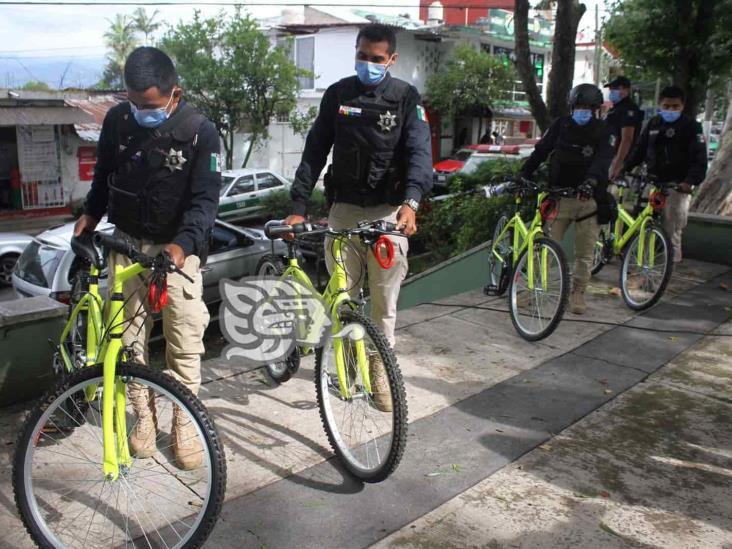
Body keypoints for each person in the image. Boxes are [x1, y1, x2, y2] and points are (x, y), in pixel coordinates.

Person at [73, 47, 221, 470]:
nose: (140, 112)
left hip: (179, 252)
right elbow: (104, 176)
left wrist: (181, 246)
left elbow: (205, 202)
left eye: (150, 106)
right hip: (127, 245)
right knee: (129, 339)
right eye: (133, 103)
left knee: (185, 341)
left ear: (175, 92)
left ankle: (184, 421)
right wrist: (89, 214)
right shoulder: (119, 120)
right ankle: (144, 414)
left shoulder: (199, 131)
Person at [285, 23, 432, 409]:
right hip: (345, 211)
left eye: (376, 58)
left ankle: (380, 368)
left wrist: (412, 202)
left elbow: (420, 153)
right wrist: (298, 207)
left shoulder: (405, 98)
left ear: (392, 60)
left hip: (388, 213)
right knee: (344, 299)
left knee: (384, 303)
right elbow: (314, 151)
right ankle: (348, 367)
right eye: (362, 55)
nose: (367, 63)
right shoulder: (338, 95)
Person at [519, 83, 615, 315]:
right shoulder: (561, 126)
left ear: (596, 110)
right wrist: (524, 173)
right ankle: (534, 289)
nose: (583, 111)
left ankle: (578, 293)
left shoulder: (604, 131)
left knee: (585, 252)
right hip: (559, 197)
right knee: (544, 247)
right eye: (579, 106)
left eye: (588, 108)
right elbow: (541, 151)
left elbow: (603, 160)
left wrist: (591, 181)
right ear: (572, 107)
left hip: (588, 201)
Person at [623, 85, 707, 263]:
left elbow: (700, 159)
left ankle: (671, 264)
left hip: (677, 185)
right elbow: (639, 150)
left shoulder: (692, 127)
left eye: (675, 106)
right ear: (660, 104)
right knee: (645, 222)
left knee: (672, 227)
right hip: (653, 182)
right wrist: (624, 169)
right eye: (666, 106)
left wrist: (689, 181)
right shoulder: (653, 124)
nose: (670, 110)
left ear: (682, 106)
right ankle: (642, 261)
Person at [604, 76, 643, 180]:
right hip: (609, 155)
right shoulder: (615, 109)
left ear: (627, 90)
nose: (612, 91)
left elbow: (627, 139)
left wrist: (617, 165)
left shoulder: (629, 109)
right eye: (611, 89)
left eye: (616, 88)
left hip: (619, 158)